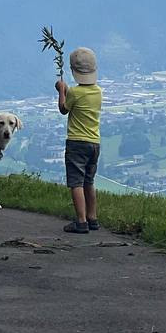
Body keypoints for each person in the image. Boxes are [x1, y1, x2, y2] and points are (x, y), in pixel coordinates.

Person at [55, 47, 103, 234]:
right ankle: (93, 218)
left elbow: (63, 109)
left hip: (77, 143)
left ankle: (81, 221)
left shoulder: (74, 92)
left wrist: (61, 90)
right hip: (94, 143)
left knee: (76, 182)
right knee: (89, 181)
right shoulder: (98, 92)